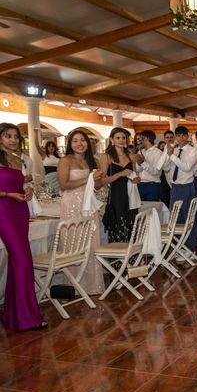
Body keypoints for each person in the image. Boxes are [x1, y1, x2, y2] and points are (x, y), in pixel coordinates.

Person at [0, 123, 47, 332]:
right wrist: (9, 195)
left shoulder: (19, 160)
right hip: (4, 212)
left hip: (20, 211)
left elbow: (23, 186)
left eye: (16, 137)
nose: (13, 140)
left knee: (18, 261)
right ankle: (25, 318)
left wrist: (27, 192)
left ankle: (13, 314)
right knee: (23, 260)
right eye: (8, 136)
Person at [57, 130, 105, 295]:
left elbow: (97, 186)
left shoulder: (93, 160)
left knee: (91, 242)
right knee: (74, 242)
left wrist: (98, 178)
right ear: (70, 143)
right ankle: (75, 286)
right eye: (75, 141)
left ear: (88, 143)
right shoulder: (66, 160)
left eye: (82, 140)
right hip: (71, 203)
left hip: (88, 203)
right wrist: (89, 178)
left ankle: (92, 285)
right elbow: (63, 185)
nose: (79, 144)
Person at [98, 128, 140, 242]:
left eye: (123, 138)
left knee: (132, 226)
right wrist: (120, 174)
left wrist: (136, 179)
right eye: (118, 138)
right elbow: (102, 181)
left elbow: (135, 175)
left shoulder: (131, 156)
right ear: (112, 139)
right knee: (118, 226)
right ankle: (117, 258)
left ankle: (132, 257)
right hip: (116, 196)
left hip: (131, 196)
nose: (121, 140)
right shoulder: (106, 157)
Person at [166, 125, 197, 253]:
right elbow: (167, 168)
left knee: (188, 218)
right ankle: (179, 247)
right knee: (175, 218)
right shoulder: (173, 150)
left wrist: (172, 156)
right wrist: (167, 155)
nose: (180, 138)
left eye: (183, 135)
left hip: (186, 187)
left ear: (187, 136)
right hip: (175, 187)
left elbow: (186, 167)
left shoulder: (193, 150)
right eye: (178, 135)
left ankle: (190, 249)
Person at [135, 130, 165, 202]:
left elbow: (156, 172)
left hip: (152, 186)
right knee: (141, 210)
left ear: (146, 138)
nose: (138, 141)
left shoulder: (158, 153)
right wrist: (139, 163)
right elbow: (137, 170)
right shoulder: (140, 151)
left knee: (152, 210)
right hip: (140, 185)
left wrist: (143, 162)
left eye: (140, 138)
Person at [159, 130, 174, 208]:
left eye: (171, 137)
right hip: (164, 178)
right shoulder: (162, 150)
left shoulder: (177, 149)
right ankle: (167, 219)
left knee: (174, 203)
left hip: (174, 178)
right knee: (165, 202)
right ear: (164, 139)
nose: (169, 139)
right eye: (167, 137)